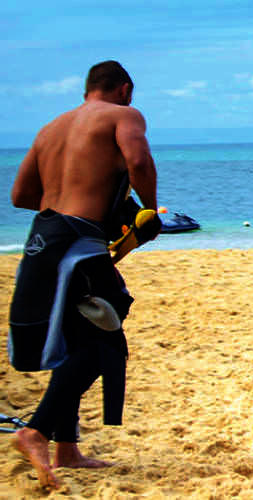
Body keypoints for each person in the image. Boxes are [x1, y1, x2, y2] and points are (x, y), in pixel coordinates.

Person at [8, 60, 157, 490]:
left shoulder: (50, 128)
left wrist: (70, 192)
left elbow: (21, 195)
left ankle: (67, 448)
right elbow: (138, 161)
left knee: (76, 338)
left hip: (42, 238)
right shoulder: (123, 115)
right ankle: (35, 431)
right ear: (124, 89)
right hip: (78, 242)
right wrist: (149, 209)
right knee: (106, 337)